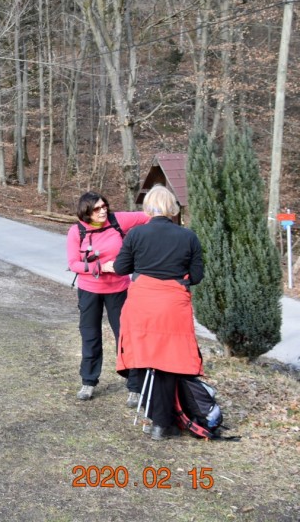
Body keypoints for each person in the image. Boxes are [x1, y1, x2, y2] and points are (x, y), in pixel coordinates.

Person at [114, 185, 204, 441]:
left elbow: (121, 268)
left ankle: (155, 417)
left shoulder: (136, 234)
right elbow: (196, 276)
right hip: (173, 306)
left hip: (142, 303)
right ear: (172, 208)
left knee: (143, 357)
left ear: (147, 207)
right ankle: (162, 423)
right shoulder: (188, 237)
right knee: (168, 363)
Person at [66, 192, 149, 403]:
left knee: (126, 336)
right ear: (86, 211)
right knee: (90, 336)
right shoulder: (77, 231)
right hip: (89, 290)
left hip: (119, 289)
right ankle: (88, 382)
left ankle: (134, 386)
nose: (103, 211)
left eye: (105, 206)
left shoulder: (117, 220)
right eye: (97, 208)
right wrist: (100, 267)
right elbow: (74, 264)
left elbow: (147, 217)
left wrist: (162, 214)